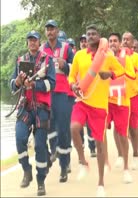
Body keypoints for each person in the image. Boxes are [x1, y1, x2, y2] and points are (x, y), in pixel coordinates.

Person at [69, 24, 125, 196]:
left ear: (99, 37)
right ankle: (82, 161)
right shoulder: (79, 55)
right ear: (85, 37)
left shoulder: (107, 56)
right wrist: (73, 85)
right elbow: (71, 76)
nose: (90, 36)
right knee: (74, 128)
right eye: (88, 34)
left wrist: (110, 75)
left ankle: (100, 182)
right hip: (82, 101)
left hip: (99, 106)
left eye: (94, 34)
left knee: (100, 144)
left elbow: (121, 71)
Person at [10, 31, 56, 196]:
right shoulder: (21, 60)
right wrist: (17, 82)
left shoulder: (47, 60)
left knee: (40, 147)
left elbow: (52, 84)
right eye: (30, 40)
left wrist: (34, 84)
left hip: (42, 108)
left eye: (35, 40)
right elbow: (12, 85)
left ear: (39, 42)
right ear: (27, 43)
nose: (32, 43)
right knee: (20, 138)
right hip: (25, 107)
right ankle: (26, 169)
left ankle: (41, 181)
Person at [41, 20, 74, 183]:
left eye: (52, 29)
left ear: (57, 30)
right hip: (46, 93)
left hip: (62, 93)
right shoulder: (41, 49)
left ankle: (64, 166)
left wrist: (66, 65)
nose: (50, 31)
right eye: (48, 29)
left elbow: (76, 68)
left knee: (63, 130)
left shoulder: (66, 48)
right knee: (47, 126)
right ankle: (54, 150)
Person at [107, 32, 135, 183]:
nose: (112, 43)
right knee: (102, 132)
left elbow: (127, 74)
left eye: (115, 41)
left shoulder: (126, 58)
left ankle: (126, 168)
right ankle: (107, 161)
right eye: (110, 41)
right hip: (107, 101)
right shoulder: (105, 57)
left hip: (122, 101)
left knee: (122, 133)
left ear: (119, 43)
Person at [122, 32, 138, 170]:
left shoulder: (137, 58)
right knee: (120, 127)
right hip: (121, 96)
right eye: (123, 39)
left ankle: (135, 152)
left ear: (132, 43)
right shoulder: (118, 56)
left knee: (135, 126)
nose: (125, 41)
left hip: (135, 95)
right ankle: (122, 155)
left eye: (127, 40)